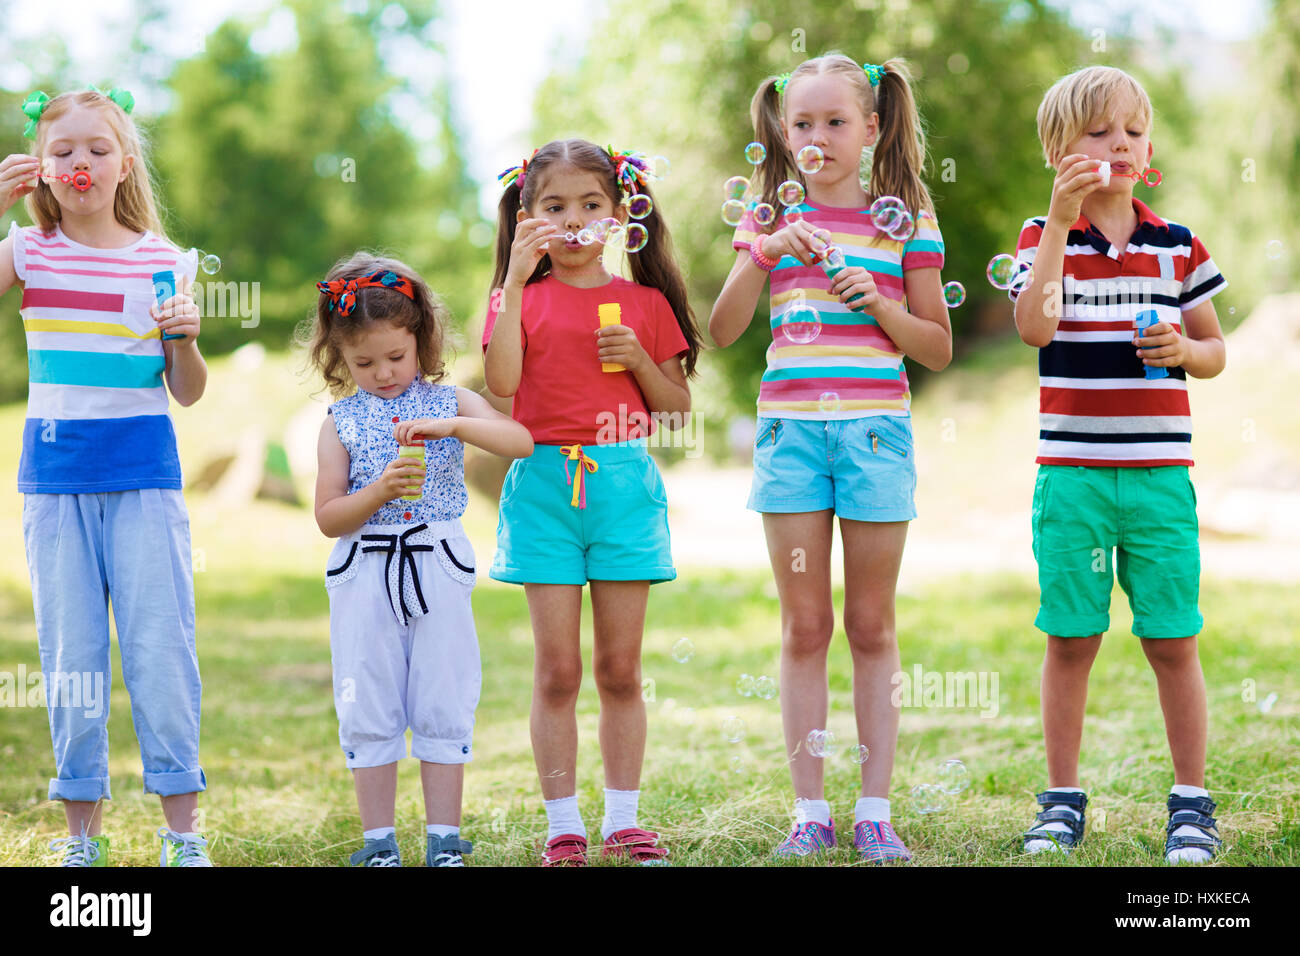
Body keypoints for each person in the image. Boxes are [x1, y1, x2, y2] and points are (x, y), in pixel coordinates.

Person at [709, 55, 951, 863]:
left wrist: (874, 301)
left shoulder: (905, 219)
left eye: (836, 122)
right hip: (792, 436)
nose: (817, 138)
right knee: (805, 625)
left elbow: (938, 347)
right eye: (802, 124)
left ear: (873, 127)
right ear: (782, 131)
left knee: (871, 624)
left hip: (876, 432)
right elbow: (721, 330)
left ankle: (875, 809)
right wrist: (765, 250)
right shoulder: (766, 217)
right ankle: (809, 810)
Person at [1011, 65, 1227, 864]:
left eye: (1134, 130)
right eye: (1100, 132)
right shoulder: (1042, 240)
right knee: (1071, 636)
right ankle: (1061, 801)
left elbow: (1214, 352)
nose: (1122, 145)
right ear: (1058, 151)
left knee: (1173, 638)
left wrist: (1185, 348)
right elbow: (1035, 328)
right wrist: (1062, 226)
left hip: (1159, 478)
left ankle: (1191, 804)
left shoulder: (1177, 245)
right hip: (1072, 477)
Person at [0, 88, 212, 866]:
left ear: (125, 163)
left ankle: (182, 836)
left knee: (161, 646)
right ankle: (81, 838)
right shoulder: (27, 251)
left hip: (145, 481)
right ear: (40, 170)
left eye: (97, 149)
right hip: (55, 484)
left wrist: (185, 341)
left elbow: (186, 391)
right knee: (72, 654)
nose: (79, 162)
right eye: (62, 152)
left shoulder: (166, 261)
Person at [483, 139, 702, 865]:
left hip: (621, 490)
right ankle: (561, 825)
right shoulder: (515, 302)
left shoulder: (644, 305)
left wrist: (639, 360)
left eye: (590, 205)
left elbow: (675, 410)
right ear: (527, 218)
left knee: (618, 669)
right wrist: (514, 282)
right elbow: (502, 388)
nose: (573, 221)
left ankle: (624, 819)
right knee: (557, 671)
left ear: (619, 215)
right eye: (554, 207)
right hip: (543, 486)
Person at [308, 252, 532, 867]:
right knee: (369, 699)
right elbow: (328, 514)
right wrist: (376, 491)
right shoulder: (339, 421)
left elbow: (522, 441)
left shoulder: (450, 401)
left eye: (395, 358)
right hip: (364, 571)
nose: (382, 373)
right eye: (363, 362)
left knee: (443, 693)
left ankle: (443, 841)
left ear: (422, 341)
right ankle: (379, 844)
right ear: (339, 357)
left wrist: (455, 426)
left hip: (435, 561)